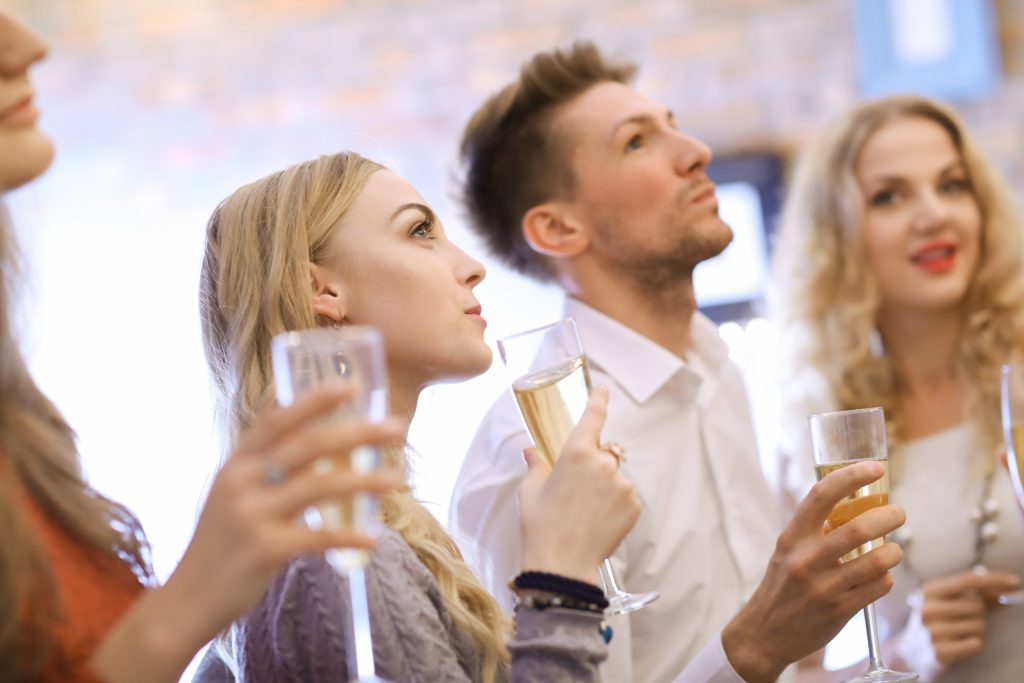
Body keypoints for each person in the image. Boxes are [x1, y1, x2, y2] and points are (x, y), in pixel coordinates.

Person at [449, 41, 907, 683]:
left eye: (672, 124)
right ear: (558, 230)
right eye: (637, 142)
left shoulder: (719, 367)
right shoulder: (530, 456)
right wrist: (753, 648)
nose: (696, 152)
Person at [0, 10, 403, 683]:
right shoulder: (318, 571)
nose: (30, 42)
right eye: (418, 231)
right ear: (318, 287)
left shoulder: (22, 420)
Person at [195, 150, 648, 682]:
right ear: (320, 290)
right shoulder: (344, 560)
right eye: (419, 232)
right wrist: (563, 576)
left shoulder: (320, 537)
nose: (472, 268)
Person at [771, 94, 1024, 683]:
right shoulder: (818, 436)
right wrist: (907, 654)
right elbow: (789, 671)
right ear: (838, 235)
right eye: (890, 196)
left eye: (952, 185)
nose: (934, 213)